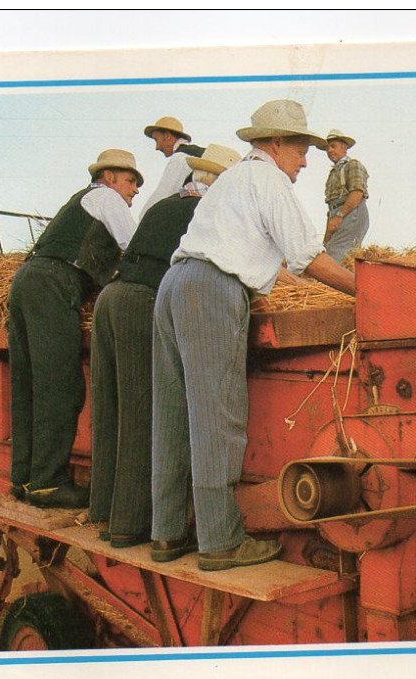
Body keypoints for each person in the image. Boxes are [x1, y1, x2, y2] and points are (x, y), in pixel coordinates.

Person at [150, 99, 356, 571]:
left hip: (175, 285)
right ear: (276, 143)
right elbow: (307, 256)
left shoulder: (235, 179)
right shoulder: (268, 178)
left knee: (172, 414)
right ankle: (221, 542)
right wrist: (366, 292)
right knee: (217, 414)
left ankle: (166, 534)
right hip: (210, 291)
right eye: (302, 148)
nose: (305, 160)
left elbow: (276, 263)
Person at [88, 144, 240, 548]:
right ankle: (128, 526)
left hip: (111, 296)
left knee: (111, 411)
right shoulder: (206, 212)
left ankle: (103, 510)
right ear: (221, 182)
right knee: (144, 411)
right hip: (141, 300)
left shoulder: (163, 205)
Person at [10, 149, 141, 509]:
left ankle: (23, 478)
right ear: (110, 177)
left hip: (27, 279)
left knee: (29, 383)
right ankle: (49, 484)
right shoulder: (106, 198)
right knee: (60, 384)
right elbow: (135, 248)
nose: (135, 190)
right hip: (55, 283)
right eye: (131, 181)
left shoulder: (80, 202)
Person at [322, 129, 369, 263]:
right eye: (327, 148)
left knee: (337, 254)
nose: (329, 150)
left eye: (333, 146)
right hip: (336, 213)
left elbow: (357, 193)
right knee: (330, 249)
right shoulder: (334, 172)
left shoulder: (352, 165)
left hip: (350, 211)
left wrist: (340, 216)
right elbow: (331, 205)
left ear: (344, 147)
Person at [141, 116, 206, 214]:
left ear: (167, 136)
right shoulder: (200, 153)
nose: (157, 147)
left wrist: (142, 220)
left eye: (156, 140)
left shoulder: (180, 158)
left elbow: (163, 195)